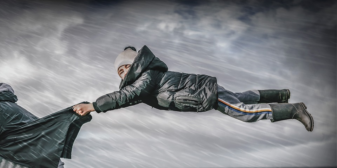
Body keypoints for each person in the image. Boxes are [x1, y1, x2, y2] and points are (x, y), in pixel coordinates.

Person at [73, 45, 314, 132]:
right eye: (119, 72)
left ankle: (293, 110)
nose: (122, 73)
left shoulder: (145, 77)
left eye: (123, 68)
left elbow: (127, 95)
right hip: (204, 89)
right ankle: (280, 95)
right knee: (241, 97)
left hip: (203, 94)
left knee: (244, 112)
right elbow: (128, 98)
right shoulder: (146, 81)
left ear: (134, 64)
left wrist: (94, 105)